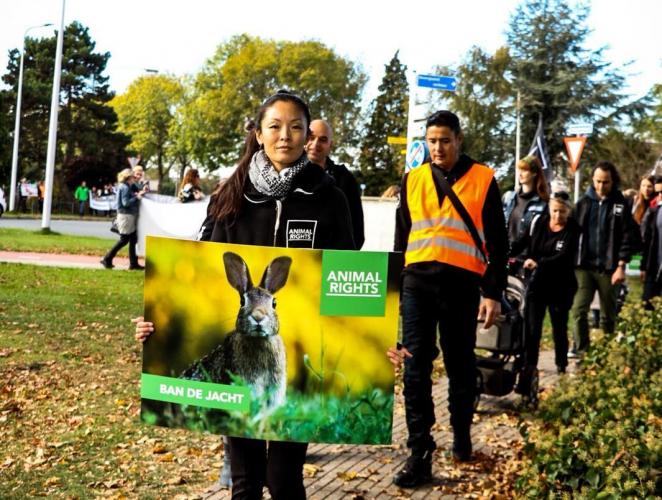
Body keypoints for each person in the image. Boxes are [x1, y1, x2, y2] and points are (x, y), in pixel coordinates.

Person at [135, 90, 355, 499]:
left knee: (285, 478)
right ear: (258, 134)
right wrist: (152, 323)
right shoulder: (229, 197)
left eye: (295, 127)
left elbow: (348, 275)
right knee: (246, 480)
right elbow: (200, 253)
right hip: (238, 369)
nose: (284, 136)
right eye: (274, 126)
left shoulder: (329, 198)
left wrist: (381, 339)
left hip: (277, 363)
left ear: (308, 135)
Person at [390, 110, 508, 488]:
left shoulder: (484, 178)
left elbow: (499, 243)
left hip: (461, 287)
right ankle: (419, 452)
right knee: (414, 368)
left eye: (444, 140)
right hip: (417, 286)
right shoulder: (412, 179)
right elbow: (401, 240)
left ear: (459, 139)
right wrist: (395, 290)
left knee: (460, 365)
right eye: (431, 141)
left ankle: (461, 433)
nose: (437, 148)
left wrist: (492, 292)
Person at [570, 161, 640, 357]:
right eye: (598, 181)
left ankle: (608, 352)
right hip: (584, 266)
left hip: (610, 267)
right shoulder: (583, 204)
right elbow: (571, 233)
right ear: (592, 180)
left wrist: (621, 265)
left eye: (606, 182)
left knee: (608, 315)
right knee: (578, 310)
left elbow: (628, 236)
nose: (601, 186)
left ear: (612, 181)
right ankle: (583, 351)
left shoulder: (620, 205)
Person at [512, 191, 579, 377]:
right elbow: (522, 241)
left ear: (568, 211)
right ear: (549, 208)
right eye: (555, 211)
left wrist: (539, 263)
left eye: (562, 212)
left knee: (559, 327)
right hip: (537, 284)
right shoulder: (539, 223)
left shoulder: (572, 230)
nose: (558, 216)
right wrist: (507, 253)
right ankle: (530, 365)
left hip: (561, 285)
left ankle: (561, 365)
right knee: (532, 327)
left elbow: (564, 256)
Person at [305, 119, 365, 249]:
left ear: (330, 145)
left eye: (323, 139)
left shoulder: (345, 179)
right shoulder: (285, 176)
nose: (315, 144)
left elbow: (357, 228)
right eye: (311, 137)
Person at [503, 155, 550, 268]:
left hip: (525, 262)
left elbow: (542, 237)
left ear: (534, 173)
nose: (520, 174)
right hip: (504, 258)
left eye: (524, 170)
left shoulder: (543, 204)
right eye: (519, 170)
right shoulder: (508, 197)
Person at [100, 169, 147, 270]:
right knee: (124, 240)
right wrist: (137, 197)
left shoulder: (125, 186)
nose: (135, 178)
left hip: (127, 216)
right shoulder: (125, 187)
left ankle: (133, 263)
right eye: (133, 177)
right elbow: (125, 203)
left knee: (132, 239)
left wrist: (135, 195)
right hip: (126, 216)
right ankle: (107, 258)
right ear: (129, 177)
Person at [641, 176, 662, 308]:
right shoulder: (654, 212)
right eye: (657, 193)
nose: (659, 196)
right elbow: (647, 241)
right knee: (648, 306)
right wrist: (644, 266)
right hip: (653, 268)